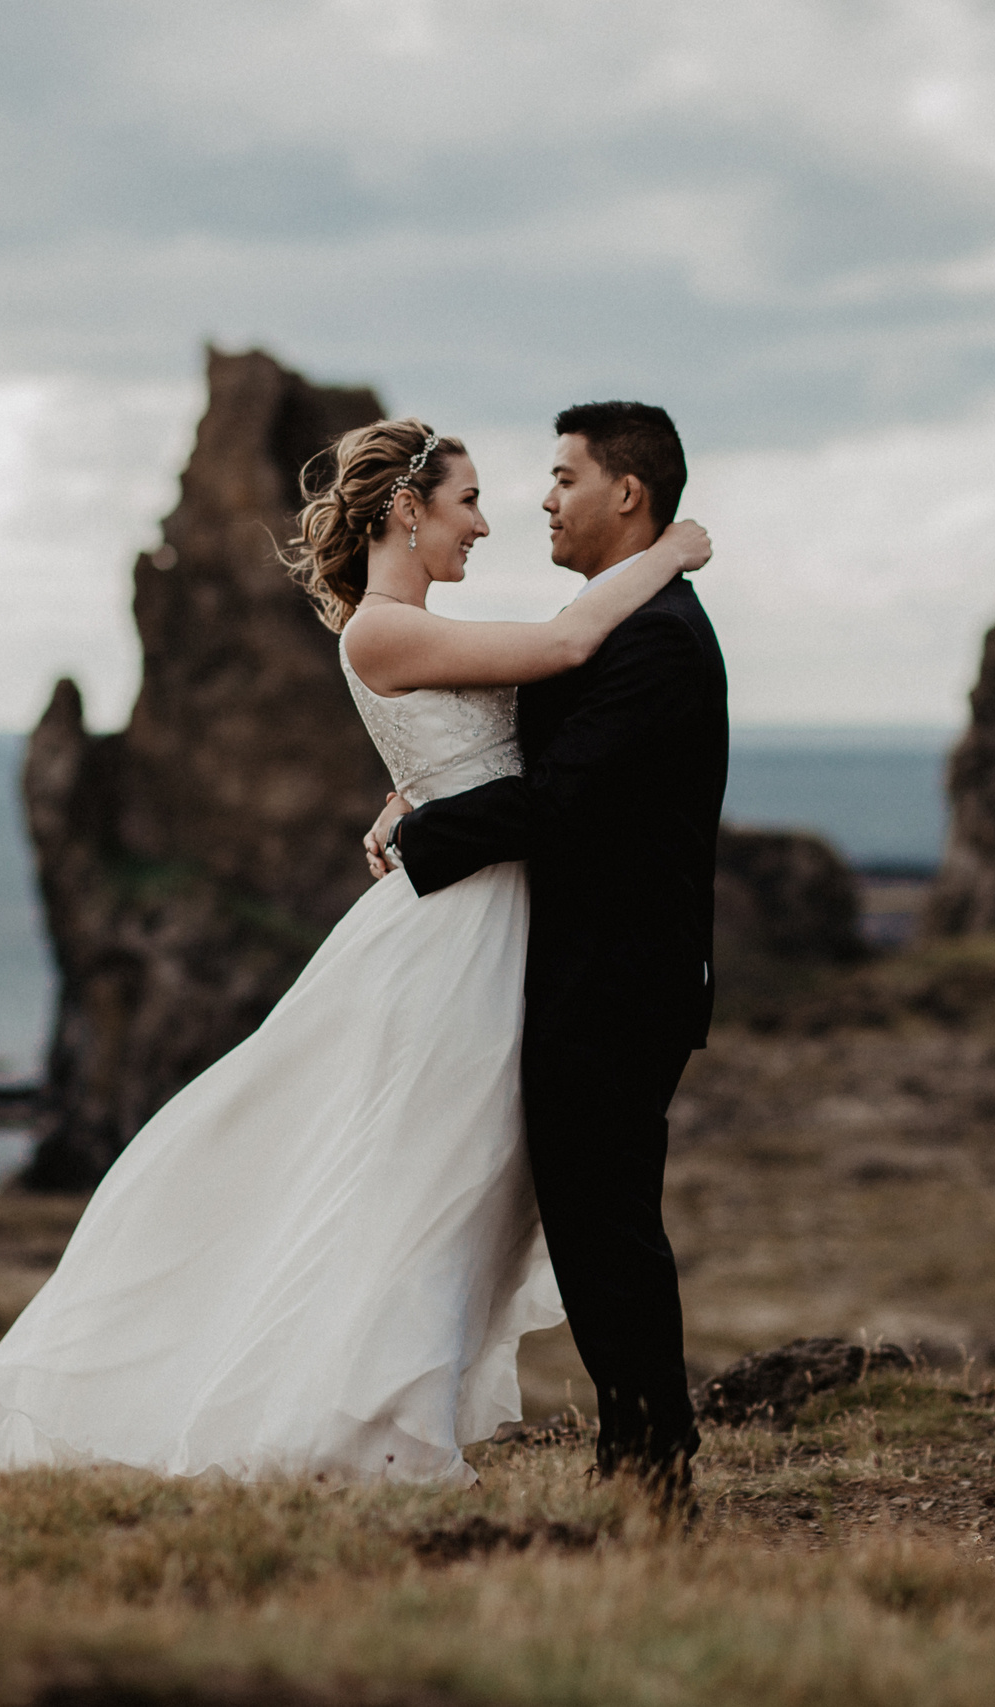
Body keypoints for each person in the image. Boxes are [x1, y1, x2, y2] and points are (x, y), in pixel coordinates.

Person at [0, 416, 710, 1486]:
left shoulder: (416, 629)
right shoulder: (377, 631)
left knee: (461, 1185)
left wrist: (412, 793)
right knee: (415, 1175)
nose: (487, 523)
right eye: (466, 503)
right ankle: (361, 1428)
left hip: (502, 928)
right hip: (457, 936)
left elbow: (520, 725)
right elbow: (561, 648)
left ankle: (412, 1419)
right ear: (408, 508)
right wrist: (669, 554)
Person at [369, 401, 726, 1506]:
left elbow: (562, 804)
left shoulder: (657, 636)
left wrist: (424, 835)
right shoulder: (628, 618)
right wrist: (409, 789)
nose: (538, 501)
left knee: (606, 1219)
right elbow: (523, 734)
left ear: (628, 494)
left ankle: (654, 1464)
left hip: (620, 979)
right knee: (588, 1215)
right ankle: (639, 1452)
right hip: (587, 972)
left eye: (563, 477)